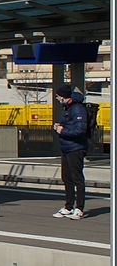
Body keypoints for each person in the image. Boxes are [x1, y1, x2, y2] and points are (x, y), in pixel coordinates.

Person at [52, 85, 88, 219]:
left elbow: (80, 130)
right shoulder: (68, 108)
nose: (57, 98)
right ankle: (68, 207)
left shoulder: (78, 109)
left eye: (58, 96)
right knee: (67, 178)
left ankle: (79, 208)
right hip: (66, 147)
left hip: (76, 148)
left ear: (63, 96)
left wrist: (63, 131)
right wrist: (60, 126)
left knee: (77, 178)